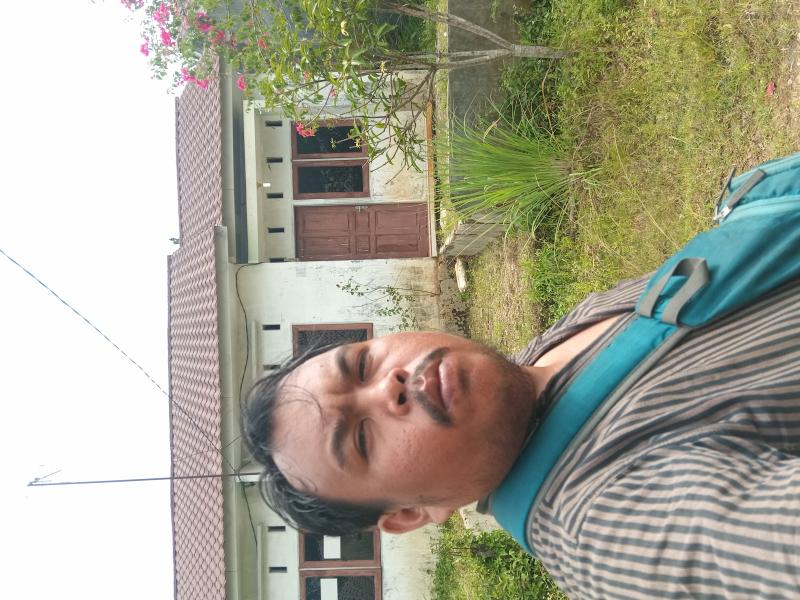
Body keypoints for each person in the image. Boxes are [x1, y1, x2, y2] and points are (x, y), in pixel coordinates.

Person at [242, 272, 800, 600]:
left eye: (363, 363)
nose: (390, 385)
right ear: (409, 514)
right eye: (362, 440)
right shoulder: (606, 525)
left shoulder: (553, 347)